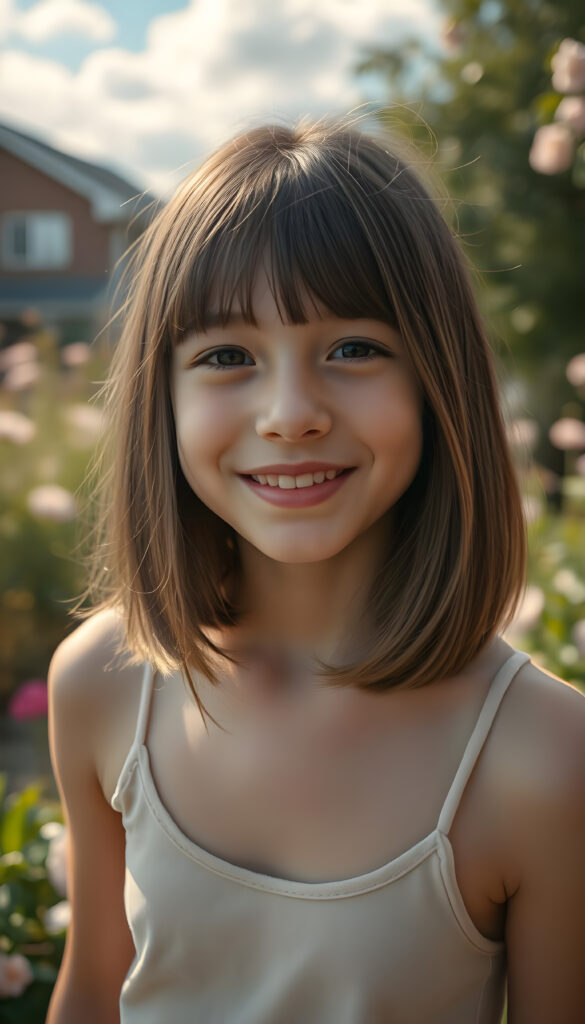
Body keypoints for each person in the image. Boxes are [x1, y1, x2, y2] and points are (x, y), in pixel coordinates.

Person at [46, 118, 585, 1024]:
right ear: (159, 396)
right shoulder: (103, 683)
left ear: (438, 379)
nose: (289, 413)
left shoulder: (545, 755)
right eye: (226, 356)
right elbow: (95, 991)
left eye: (353, 349)